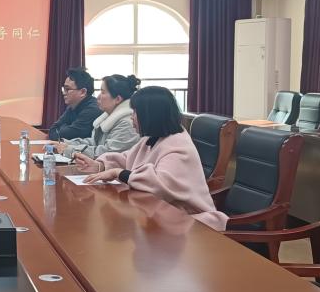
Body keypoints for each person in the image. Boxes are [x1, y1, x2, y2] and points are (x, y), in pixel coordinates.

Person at [75, 86, 228, 231]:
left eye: (135, 112)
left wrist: (118, 173)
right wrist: (100, 165)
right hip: (162, 217)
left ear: (150, 115)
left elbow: (160, 183)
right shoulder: (154, 137)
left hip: (190, 223)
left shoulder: (178, 146)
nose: (131, 118)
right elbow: (128, 158)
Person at [57, 74, 141, 158]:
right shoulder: (109, 117)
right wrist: (64, 143)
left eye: (103, 92)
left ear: (118, 99)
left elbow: (107, 154)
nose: (98, 97)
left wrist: (69, 149)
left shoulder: (127, 124)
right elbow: (94, 142)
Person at [47, 68, 103, 140]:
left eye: (67, 89)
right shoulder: (72, 106)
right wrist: (65, 128)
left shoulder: (93, 109)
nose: (64, 93)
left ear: (83, 92)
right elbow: (52, 130)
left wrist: (63, 127)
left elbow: (69, 135)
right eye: (64, 89)